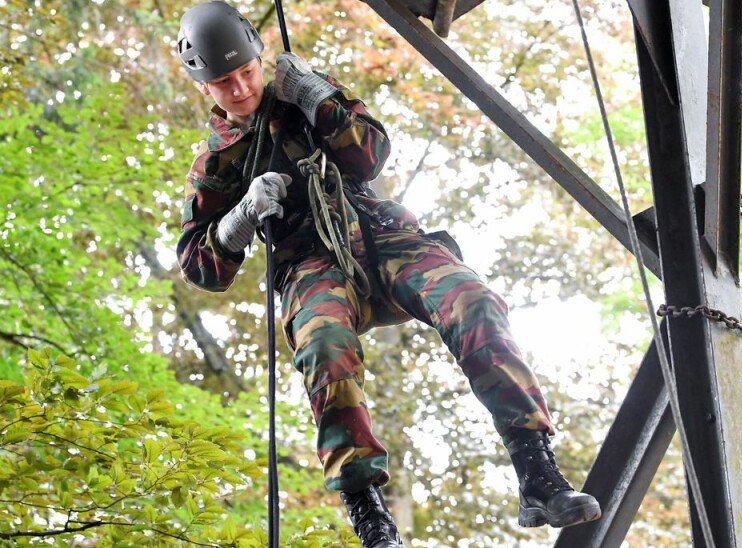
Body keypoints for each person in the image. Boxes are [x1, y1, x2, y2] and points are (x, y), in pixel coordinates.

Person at [175, 2, 601, 546]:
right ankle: (371, 516)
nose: (240, 88)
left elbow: (370, 156)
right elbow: (200, 267)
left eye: (247, 72)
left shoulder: (300, 88)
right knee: (323, 345)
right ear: (204, 86)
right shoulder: (215, 164)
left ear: (260, 59)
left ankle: (537, 474)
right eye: (223, 82)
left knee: (473, 302)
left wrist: (314, 96)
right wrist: (239, 218)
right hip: (311, 265)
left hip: (379, 234)